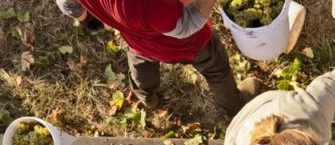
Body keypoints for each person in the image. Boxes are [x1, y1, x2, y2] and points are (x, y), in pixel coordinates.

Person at [55, 0, 246, 117]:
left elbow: (67, 4)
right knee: (216, 70)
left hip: (138, 42)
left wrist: (90, 19)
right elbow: (187, 25)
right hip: (189, 44)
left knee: (141, 61)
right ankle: (234, 109)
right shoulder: (145, 4)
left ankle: (147, 98)